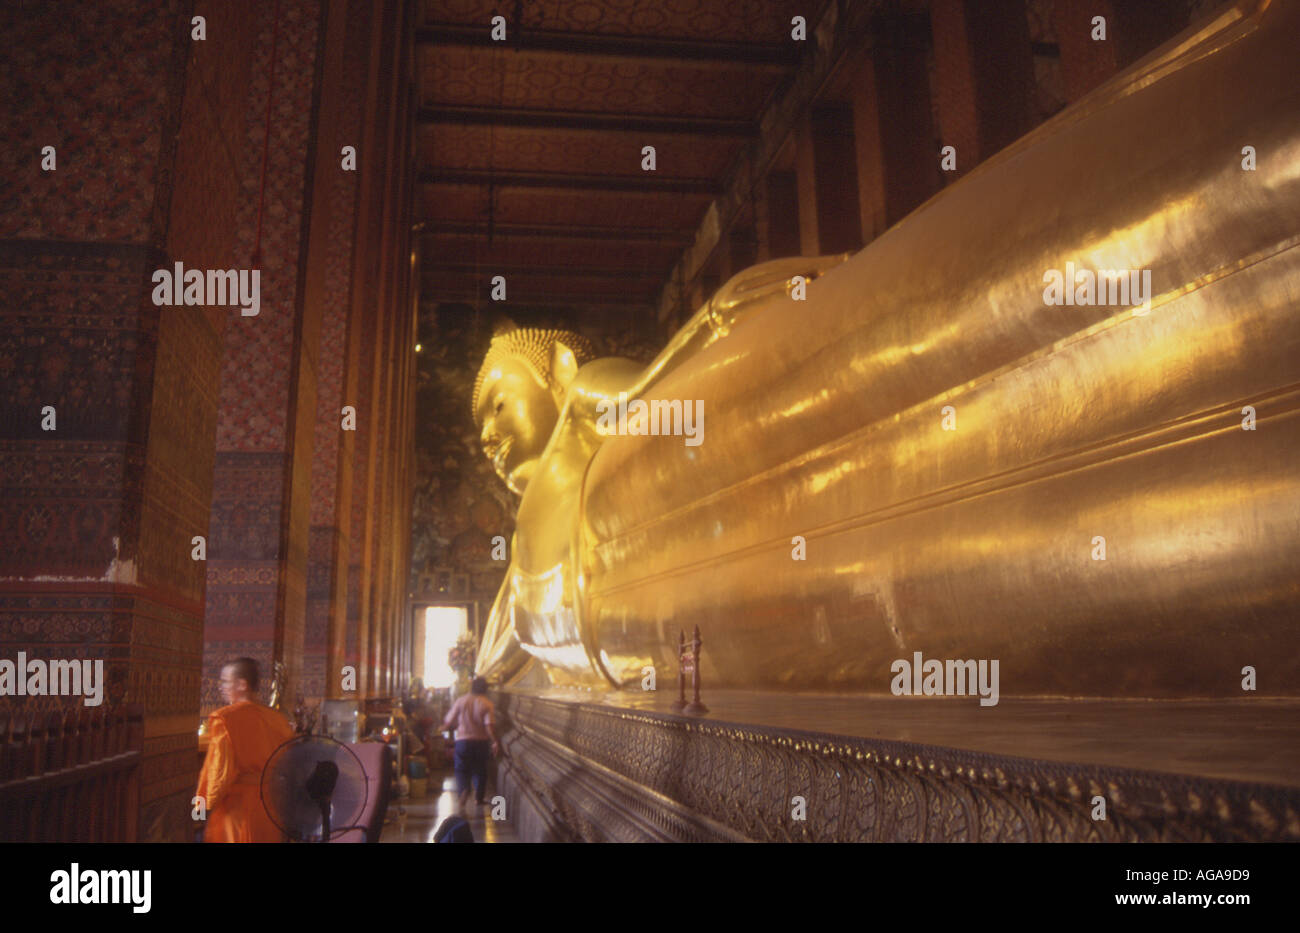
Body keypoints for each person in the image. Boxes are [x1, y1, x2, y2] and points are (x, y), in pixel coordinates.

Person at [196, 657, 294, 843]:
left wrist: (198, 813)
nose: (221, 686)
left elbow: (217, 776)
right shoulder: (279, 721)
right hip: (271, 809)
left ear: (242, 684)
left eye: (225, 681)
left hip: (237, 811)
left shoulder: (226, 720)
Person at [439, 676, 498, 812]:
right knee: (480, 770)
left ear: (472, 687)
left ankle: (463, 790)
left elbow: (448, 722)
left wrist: (441, 729)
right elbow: (489, 726)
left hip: (463, 741)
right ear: (485, 689)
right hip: (481, 741)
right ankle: (479, 798)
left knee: (461, 769)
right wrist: (495, 741)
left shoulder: (461, 701)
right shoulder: (487, 703)